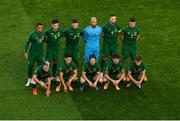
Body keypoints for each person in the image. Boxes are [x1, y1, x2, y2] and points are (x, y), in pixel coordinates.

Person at [101, 14, 122, 80]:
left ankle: (111, 71)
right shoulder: (105, 26)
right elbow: (102, 34)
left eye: (114, 19)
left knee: (114, 58)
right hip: (106, 44)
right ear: (109, 19)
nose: (113, 20)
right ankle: (101, 72)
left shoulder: (118, 26)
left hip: (114, 45)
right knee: (104, 57)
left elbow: (119, 33)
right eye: (112, 19)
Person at [24, 22, 45, 87]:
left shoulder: (44, 33)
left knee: (41, 66)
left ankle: (40, 78)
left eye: (41, 28)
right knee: (30, 66)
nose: (40, 29)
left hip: (40, 53)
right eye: (39, 28)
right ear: (36, 28)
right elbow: (27, 43)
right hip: (32, 54)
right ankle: (29, 79)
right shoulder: (32, 34)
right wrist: (25, 52)